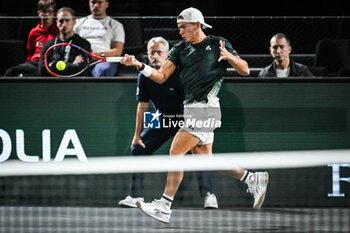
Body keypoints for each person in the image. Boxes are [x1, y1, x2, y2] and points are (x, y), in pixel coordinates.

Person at [121, 7, 269, 223]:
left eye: (184, 27)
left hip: (205, 106)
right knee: (205, 161)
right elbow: (161, 76)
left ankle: (164, 205)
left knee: (175, 151)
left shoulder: (218, 43)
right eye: (179, 27)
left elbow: (245, 70)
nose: (180, 31)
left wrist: (229, 57)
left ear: (197, 25)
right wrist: (139, 65)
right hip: (192, 107)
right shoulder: (179, 50)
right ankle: (252, 178)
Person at [118, 37, 218, 209]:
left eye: (159, 52)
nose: (155, 56)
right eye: (152, 52)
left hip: (186, 116)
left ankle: (209, 195)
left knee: (198, 153)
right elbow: (142, 106)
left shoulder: (179, 72)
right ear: (147, 55)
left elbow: (188, 101)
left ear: (167, 54)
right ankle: (136, 197)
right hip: (162, 117)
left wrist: (185, 126)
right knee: (138, 149)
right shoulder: (144, 75)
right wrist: (136, 136)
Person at [4, 0, 59, 77]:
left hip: (49, 64)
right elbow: (30, 53)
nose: (46, 15)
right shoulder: (34, 32)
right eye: (44, 12)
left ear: (54, 14)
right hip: (34, 63)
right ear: (39, 13)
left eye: (49, 12)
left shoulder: (58, 31)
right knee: (10, 71)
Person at [74, 0, 125, 77]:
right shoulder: (78, 22)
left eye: (99, 2)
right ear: (89, 3)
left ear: (107, 4)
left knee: (104, 69)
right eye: (93, 2)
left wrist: (99, 55)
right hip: (82, 58)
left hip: (103, 60)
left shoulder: (115, 25)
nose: (96, 5)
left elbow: (118, 51)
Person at [38, 7, 91, 76]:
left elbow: (83, 70)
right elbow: (42, 71)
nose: (64, 24)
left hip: (75, 84)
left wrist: (54, 66)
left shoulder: (83, 44)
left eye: (67, 20)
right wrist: (73, 65)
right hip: (53, 84)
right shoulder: (48, 45)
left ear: (74, 22)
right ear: (56, 23)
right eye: (61, 21)